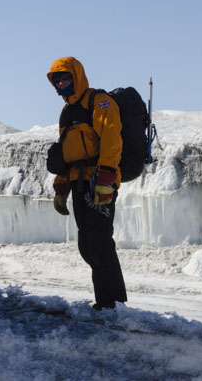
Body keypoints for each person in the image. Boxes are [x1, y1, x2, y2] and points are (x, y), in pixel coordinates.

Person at [47, 56, 127, 310]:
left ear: (76, 76)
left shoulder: (99, 102)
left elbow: (111, 140)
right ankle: (104, 301)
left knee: (100, 241)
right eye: (56, 80)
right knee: (88, 244)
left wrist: (105, 178)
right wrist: (61, 187)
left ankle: (112, 302)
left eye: (65, 78)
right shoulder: (66, 112)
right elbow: (66, 154)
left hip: (98, 182)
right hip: (78, 184)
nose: (61, 83)